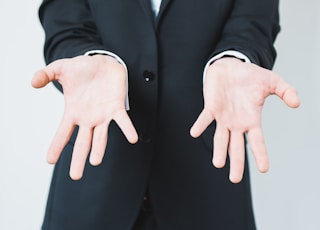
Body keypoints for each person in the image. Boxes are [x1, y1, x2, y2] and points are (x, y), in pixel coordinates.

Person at [32, 0, 300, 229]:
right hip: (96, 180)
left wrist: (235, 57)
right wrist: (88, 57)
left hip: (206, 188)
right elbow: (65, 20)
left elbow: (254, 21)